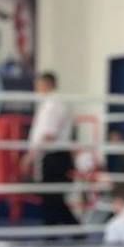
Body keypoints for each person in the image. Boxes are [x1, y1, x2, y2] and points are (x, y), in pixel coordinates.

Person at [21, 71, 79, 227]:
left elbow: (49, 134)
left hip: (55, 155)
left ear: (46, 84)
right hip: (52, 155)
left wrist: (30, 156)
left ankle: (69, 231)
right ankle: (71, 231)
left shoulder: (54, 105)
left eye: (38, 85)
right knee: (52, 197)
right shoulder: (50, 104)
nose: (37, 88)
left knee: (52, 197)